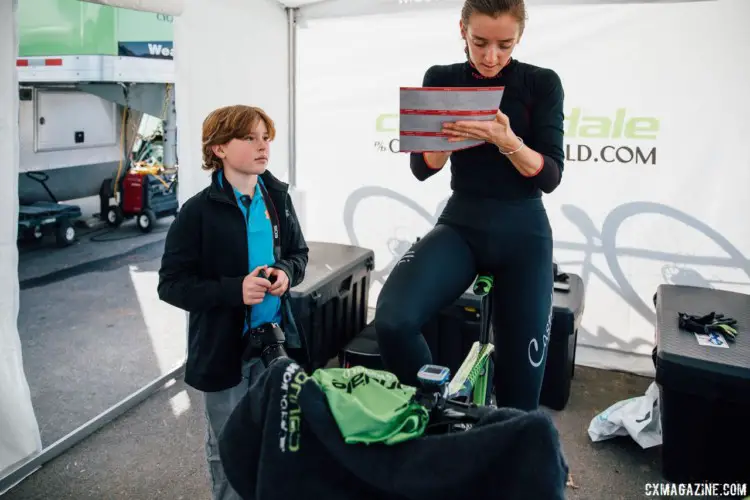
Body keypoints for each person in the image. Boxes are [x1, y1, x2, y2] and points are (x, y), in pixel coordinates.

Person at [374, 0, 565, 412]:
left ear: (520, 38)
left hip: (524, 233)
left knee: (519, 394)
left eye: (505, 45)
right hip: (463, 223)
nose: (491, 56)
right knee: (392, 322)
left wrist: (507, 141)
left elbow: (549, 176)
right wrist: (443, 145)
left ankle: (511, 453)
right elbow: (421, 170)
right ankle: (439, 413)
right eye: (480, 42)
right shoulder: (441, 78)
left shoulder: (541, 83)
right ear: (462, 30)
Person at [157, 104, 309, 500]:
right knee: (227, 447)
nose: (263, 146)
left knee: (274, 438)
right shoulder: (197, 213)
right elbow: (171, 285)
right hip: (225, 351)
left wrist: (286, 273)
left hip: (273, 345)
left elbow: (299, 253)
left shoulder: (277, 197)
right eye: (250, 137)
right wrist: (232, 291)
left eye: (266, 137)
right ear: (219, 148)